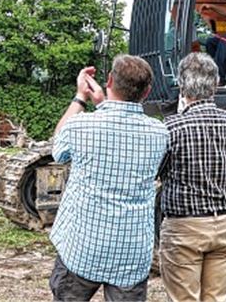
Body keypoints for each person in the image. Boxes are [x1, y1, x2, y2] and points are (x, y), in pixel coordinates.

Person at [49, 55, 168, 301]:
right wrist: (103, 103)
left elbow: (58, 150)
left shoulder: (81, 126)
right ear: (147, 92)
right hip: (131, 251)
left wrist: (80, 97)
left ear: (110, 80)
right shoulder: (160, 132)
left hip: (82, 246)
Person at [158, 52, 226, 302]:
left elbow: (158, 173)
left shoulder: (171, 127)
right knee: (219, 297)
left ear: (181, 84)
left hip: (184, 227)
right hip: (225, 223)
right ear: (216, 83)